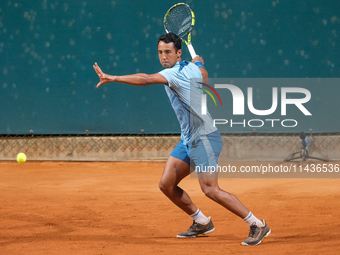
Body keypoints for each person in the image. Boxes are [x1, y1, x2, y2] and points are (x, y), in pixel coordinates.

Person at [93, 32, 270, 246]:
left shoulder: (174, 74)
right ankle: (202, 221)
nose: (163, 57)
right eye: (160, 52)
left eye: (168, 52)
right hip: (188, 139)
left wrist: (113, 78)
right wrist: (199, 62)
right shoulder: (192, 66)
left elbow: (147, 79)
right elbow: (204, 75)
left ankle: (257, 224)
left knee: (210, 189)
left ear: (178, 53)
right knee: (167, 184)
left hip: (205, 137)